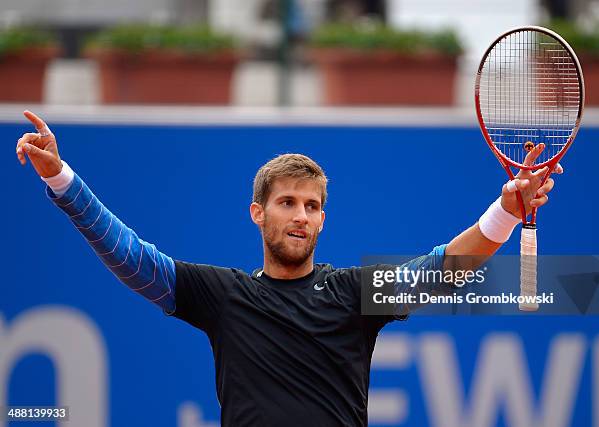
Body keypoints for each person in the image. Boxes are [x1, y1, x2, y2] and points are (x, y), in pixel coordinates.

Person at [15, 110, 559, 426]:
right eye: (288, 203)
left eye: (313, 206)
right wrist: (62, 178)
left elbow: (442, 269)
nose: (302, 216)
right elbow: (130, 257)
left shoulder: (354, 293)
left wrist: (507, 211)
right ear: (258, 213)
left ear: (323, 220)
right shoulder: (222, 296)